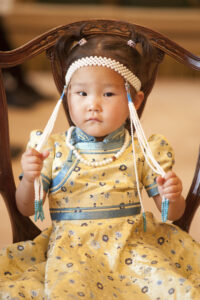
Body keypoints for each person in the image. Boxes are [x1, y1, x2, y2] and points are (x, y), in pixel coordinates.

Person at [0, 27, 200, 299]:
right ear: (67, 97)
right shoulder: (52, 149)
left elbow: (174, 213)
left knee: (175, 288)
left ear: (135, 100)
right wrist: (30, 178)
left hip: (133, 246)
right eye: (81, 94)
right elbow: (25, 208)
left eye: (108, 94)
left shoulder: (143, 151)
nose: (93, 104)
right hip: (72, 252)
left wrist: (171, 195)